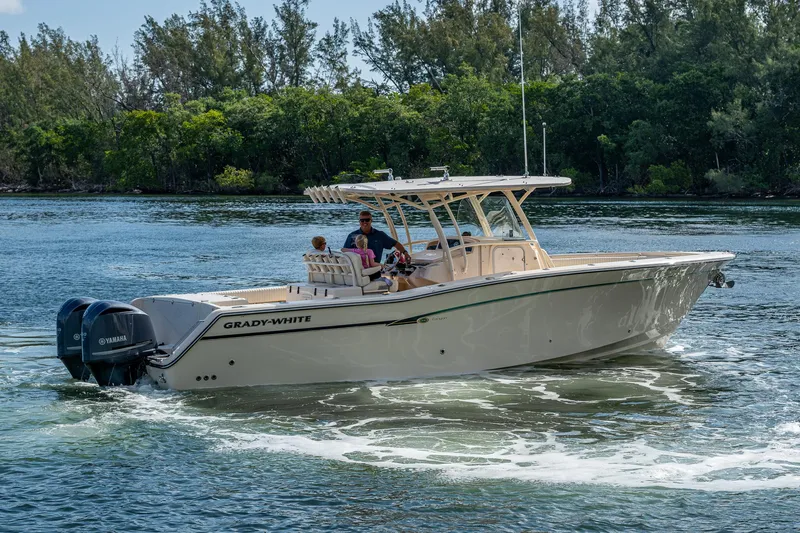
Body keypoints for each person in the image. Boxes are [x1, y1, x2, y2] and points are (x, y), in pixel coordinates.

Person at [343, 210, 409, 263]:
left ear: (371, 221)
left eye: (367, 220)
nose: (364, 222)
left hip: (375, 269)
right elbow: (344, 252)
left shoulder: (380, 235)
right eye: (362, 220)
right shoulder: (352, 236)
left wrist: (405, 253)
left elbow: (395, 244)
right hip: (358, 270)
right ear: (359, 222)